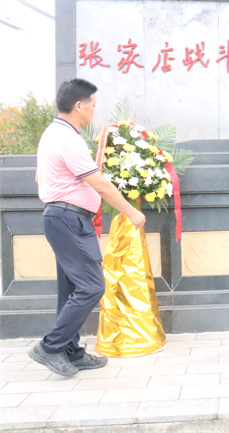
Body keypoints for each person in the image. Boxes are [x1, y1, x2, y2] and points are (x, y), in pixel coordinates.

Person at [29, 78, 146, 376]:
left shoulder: (53, 134)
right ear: (79, 105)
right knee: (92, 286)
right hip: (69, 220)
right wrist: (132, 212)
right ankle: (50, 347)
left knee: (71, 288)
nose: (95, 110)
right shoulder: (68, 139)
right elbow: (100, 185)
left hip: (62, 218)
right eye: (93, 105)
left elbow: (40, 178)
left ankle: (71, 351)